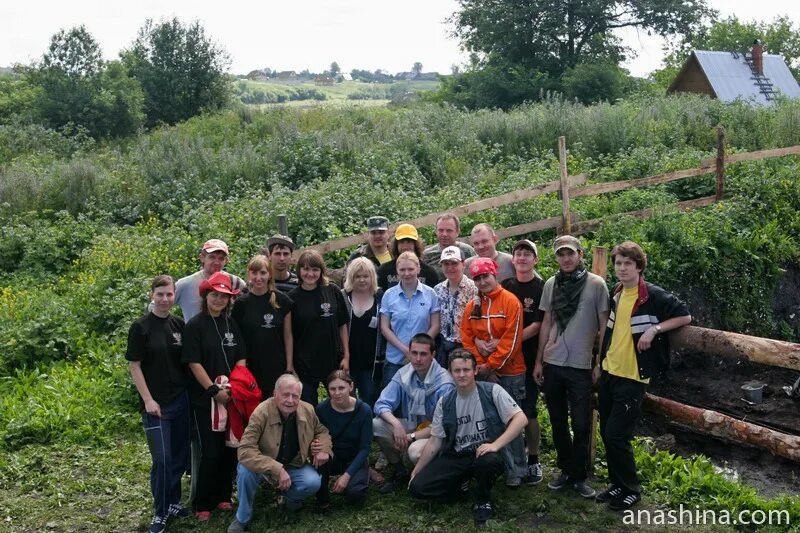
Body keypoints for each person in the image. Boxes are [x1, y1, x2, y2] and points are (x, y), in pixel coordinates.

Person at [594, 241, 691, 511]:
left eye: (628, 263)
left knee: (617, 435)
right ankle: (616, 484)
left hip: (633, 376)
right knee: (605, 431)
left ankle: (631, 490)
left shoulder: (653, 295)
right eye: (618, 263)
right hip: (610, 370)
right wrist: (599, 363)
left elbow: (685, 316)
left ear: (639, 266)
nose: (622, 268)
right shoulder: (617, 292)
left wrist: (654, 329)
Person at [409, 349, 528, 527]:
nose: (462, 375)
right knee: (418, 488)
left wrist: (495, 445)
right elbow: (435, 441)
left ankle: (482, 500)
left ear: (475, 371)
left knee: (489, 462)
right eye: (457, 371)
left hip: (484, 452)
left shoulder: (492, 391)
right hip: (457, 455)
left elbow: (521, 419)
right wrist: (416, 470)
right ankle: (459, 485)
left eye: (466, 370)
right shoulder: (446, 401)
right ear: (450, 373)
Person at [533, 235, 609, 499]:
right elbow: (546, 323)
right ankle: (565, 469)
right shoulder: (551, 284)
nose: (565, 259)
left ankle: (579, 475)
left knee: (581, 422)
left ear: (580, 254)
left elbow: (603, 326)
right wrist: (539, 360)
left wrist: (599, 363)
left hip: (580, 365)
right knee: (557, 420)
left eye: (570, 254)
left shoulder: (596, 285)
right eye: (560, 254)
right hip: (553, 363)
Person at [228, 374, 332, 532]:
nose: (290, 400)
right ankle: (242, 517)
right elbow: (245, 450)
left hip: (293, 463)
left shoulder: (307, 409)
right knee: (245, 471)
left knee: (313, 482)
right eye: (285, 395)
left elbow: (321, 431)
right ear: (275, 394)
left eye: (295, 396)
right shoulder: (261, 412)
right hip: (264, 464)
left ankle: (288, 498)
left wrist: (323, 449)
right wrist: (276, 469)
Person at [126, 275, 190, 533]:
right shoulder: (140, 327)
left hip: (180, 400)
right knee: (161, 460)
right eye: (160, 294)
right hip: (155, 406)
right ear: (152, 294)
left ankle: (173, 500)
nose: (165, 299)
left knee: (178, 457)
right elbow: (134, 365)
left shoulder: (179, 325)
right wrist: (148, 399)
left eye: (169, 294)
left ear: (175, 296)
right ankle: (160, 512)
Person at [182, 272, 247, 520]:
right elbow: (193, 362)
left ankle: (222, 495)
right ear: (205, 295)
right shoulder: (195, 326)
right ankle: (202, 502)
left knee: (230, 447)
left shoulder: (231, 324)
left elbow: (241, 355)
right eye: (215, 295)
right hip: (206, 399)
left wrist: (235, 385)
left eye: (223, 296)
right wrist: (212, 390)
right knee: (210, 450)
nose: (219, 300)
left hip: (231, 396)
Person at [460, 257, 527, 487]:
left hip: (510, 371)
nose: (482, 282)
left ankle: (518, 469)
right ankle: (500, 466)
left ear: (494, 275)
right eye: (477, 278)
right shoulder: (473, 305)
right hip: (484, 372)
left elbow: (513, 339)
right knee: (492, 421)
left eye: (485, 277)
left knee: (512, 421)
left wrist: (491, 365)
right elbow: (466, 337)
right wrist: (481, 364)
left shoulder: (511, 302)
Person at [372, 334, 454, 493]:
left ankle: (430, 477)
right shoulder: (404, 373)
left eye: (423, 354)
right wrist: (396, 425)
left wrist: (411, 437)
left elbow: (442, 424)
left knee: (414, 452)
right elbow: (381, 404)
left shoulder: (444, 382)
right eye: (414, 353)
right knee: (377, 425)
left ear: (433, 355)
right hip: (412, 425)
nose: (418, 359)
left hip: (435, 435)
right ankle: (400, 471)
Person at [501, 239, 546, 485]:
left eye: (528, 254)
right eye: (518, 253)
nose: (522, 257)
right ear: (512, 259)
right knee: (507, 411)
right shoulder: (505, 285)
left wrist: (510, 340)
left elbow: (539, 324)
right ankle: (509, 458)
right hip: (504, 360)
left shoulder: (541, 288)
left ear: (535, 260)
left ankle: (534, 458)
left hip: (527, 358)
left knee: (528, 411)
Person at [289, 250, 350, 405]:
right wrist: (290, 365)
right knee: (309, 409)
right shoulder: (291, 298)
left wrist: (346, 356)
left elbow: (342, 325)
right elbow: (288, 334)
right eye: (306, 269)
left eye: (315, 269)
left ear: (321, 271)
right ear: (299, 270)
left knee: (342, 403)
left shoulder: (332, 290)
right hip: (305, 364)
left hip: (333, 361)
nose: (310, 274)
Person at [232, 255, 294, 398]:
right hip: (251, 365)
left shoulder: (282, 300)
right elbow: (237, 338)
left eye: (263, 273)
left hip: (276, 364)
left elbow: (288, 335)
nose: (258, 277)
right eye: (254, 273)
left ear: (269, 274)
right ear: (249, 274)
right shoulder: (241, 304)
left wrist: (289, 366)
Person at [379, 251, 441, 385]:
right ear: (397, 270)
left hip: (422, 359)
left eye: (411, 269)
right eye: (402, 269)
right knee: (393, 402)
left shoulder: (430, 294)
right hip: (395, 360)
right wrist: (406, 351)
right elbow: (384, 328)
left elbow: (435, 326)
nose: (407, 273)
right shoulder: (389, 295)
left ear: (418, 269)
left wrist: (418, 349)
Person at [313, 370, 373, 508]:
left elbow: (365, 448)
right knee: (319, 457)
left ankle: (364, 472)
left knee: (355, 494)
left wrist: (347, 476)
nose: (337, 393)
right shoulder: (322, 409)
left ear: (351, 387)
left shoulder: (364, 410)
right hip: (332, 454)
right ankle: (323, 501)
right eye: (332, 389)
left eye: (341, 388)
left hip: (355, 455)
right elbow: (319, 435)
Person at [342, 257, 384, 407]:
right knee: (347, 402)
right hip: (348, 361)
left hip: (370, 363)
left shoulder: (380, 297)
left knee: (370, 401)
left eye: (365, 276)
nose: (361, 280)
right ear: (350, 277)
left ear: (372, 277)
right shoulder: (343, 297)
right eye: (357, 276)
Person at [174, 239, 246, 322]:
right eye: (212, 257)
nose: (216, 262)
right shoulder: (185, 284)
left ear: (226, 261)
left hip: (225, 333)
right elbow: (159, 304)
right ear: (202, 258)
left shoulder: (236, 283)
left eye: (221, 258)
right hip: (193, 333)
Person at [433, 245, 478, 366]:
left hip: (465, 346)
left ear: (463, 264)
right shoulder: (437, 290)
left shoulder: (474, 289)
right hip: (443, 345)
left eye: (454, 263)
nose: (450, 267)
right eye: (446, 264)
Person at [377, 224, 440, 291]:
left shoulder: (429, 273)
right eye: (401, 242)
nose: (405, 247)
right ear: (396, 245)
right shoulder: (384, 271)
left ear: (415, 245)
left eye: (409, 242)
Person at [422, 213, 476, 278]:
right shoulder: (427, 255)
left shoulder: (467, 251)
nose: (444, 234)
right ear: (436, 231)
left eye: (449, 230)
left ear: (457, 232)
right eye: (441, 230)